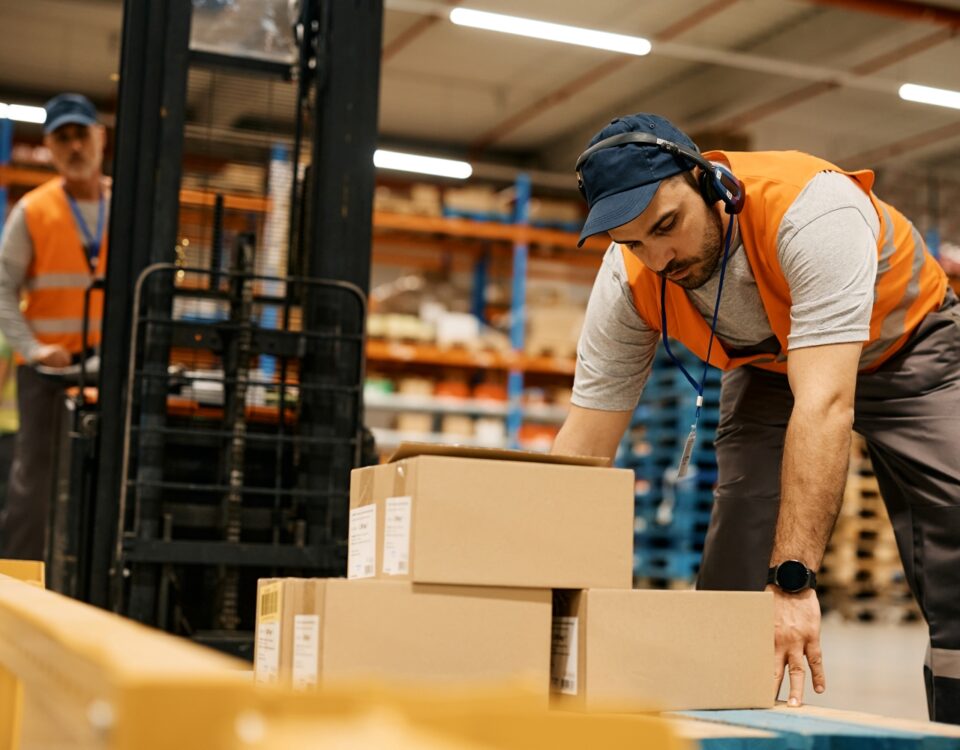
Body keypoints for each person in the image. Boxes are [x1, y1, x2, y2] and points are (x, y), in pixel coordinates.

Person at [553, 113, 959, 724]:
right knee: (742, 520)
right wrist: (540, 593)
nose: (659, 257)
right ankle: (712, 711)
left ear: (710, 183)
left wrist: (794, 583)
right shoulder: (630, 278)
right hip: (772, 366)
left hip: (910, 351)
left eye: (668, 225)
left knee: (955, 515)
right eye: (635, 243)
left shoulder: (810, 212)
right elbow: (584, 443)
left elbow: (824, 404)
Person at [0, 93, 109, 561]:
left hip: (108, 370)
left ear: (99, 138)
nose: (74, 147)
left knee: (106, 481)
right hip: (47, 374)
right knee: (35, 487)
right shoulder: (33, 211)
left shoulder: (127, 205)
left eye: (80, 134)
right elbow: (2, 286)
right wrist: (34, 347)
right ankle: (14, 589)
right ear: (49, 147)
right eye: (62, 138)